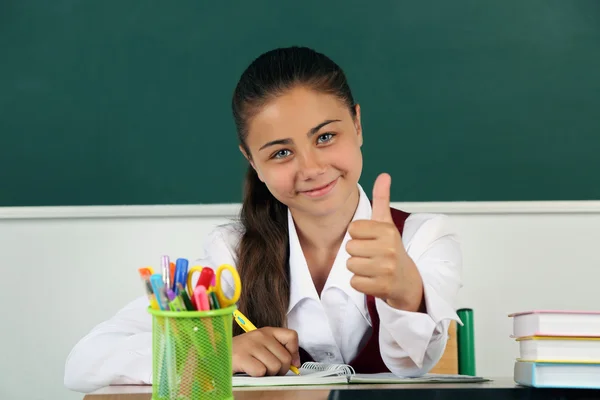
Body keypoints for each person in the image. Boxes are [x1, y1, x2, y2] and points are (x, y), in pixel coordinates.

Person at [64, 46, 462, 393]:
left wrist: (407, 294)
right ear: (251, 160)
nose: (311, 168)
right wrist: (214, 352)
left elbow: (412, 367)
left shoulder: (421, 238)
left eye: (325, 137)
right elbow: (84, 361)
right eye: (281, 153)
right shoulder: (231, 257)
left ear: (357, 124)